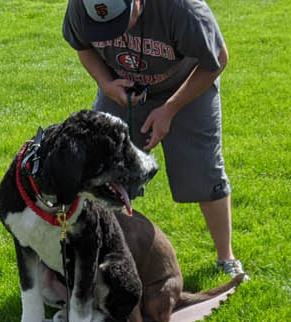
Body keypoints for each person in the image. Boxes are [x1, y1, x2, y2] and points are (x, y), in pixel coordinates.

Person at [63, 0, 241, 278]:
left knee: (202, 169)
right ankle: (98, 259)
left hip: (186, 85)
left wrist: (170, 109)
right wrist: (105, 84)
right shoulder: (81, 5)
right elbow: (81, 44)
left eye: (119, 22)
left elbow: (217, 59)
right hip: (122, 87)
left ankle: (225, 258)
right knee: (100, 170)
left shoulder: (182, 8)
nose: (112, 34)